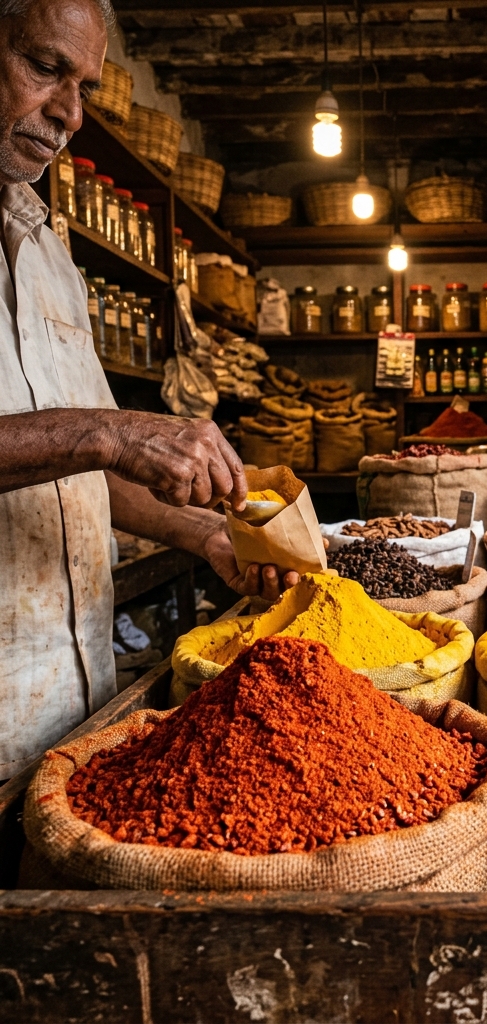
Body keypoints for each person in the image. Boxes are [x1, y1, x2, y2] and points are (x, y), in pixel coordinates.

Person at [0, 0, 299, 779]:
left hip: (71, 708)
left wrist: (209, 537)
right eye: (43, 67)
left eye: (87, 88)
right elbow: (95, 442)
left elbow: (88, 472)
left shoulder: (47, 256)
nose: (68, 113)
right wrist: (110, 430)